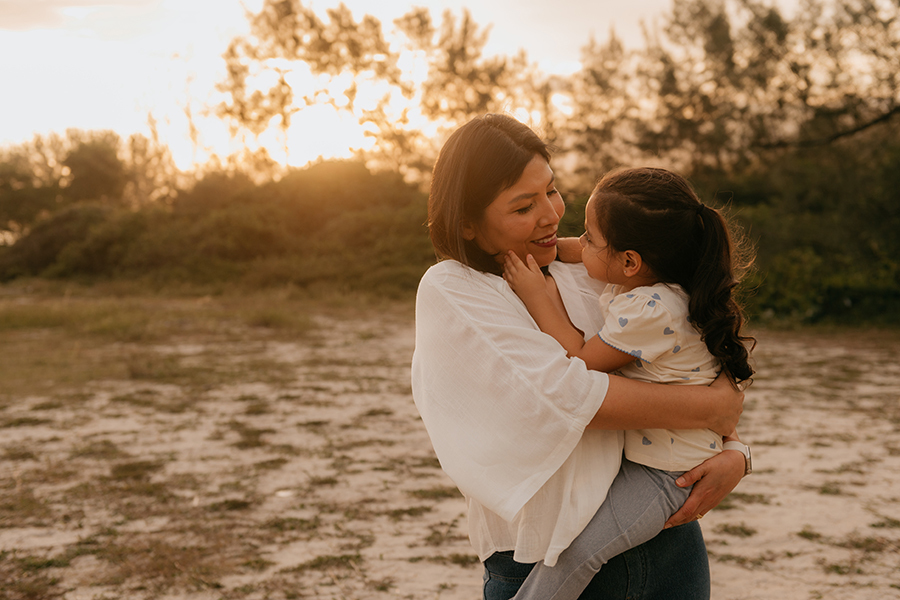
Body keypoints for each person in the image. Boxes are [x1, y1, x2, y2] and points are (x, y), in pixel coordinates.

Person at [411, 114, 748, 600]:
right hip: (544, 559)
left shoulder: (592, 270)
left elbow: (686, 358)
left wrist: (737, 450)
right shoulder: (455, 289)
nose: (551, 214)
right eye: (524, 206)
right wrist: (713, 409)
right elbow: (567, 395)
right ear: (466, 223)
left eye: (551, 190)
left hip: (665, 543)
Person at [501, 167, 755, 600]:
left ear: (630, 261)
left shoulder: (651, 309)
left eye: (589, 236)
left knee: (579, 552)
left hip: (667, 476)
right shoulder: (657, 279)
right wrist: (541, 251)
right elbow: (577, 254)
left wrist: (536, 295)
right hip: (658, 460)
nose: (578, 244)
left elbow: (581, 359)